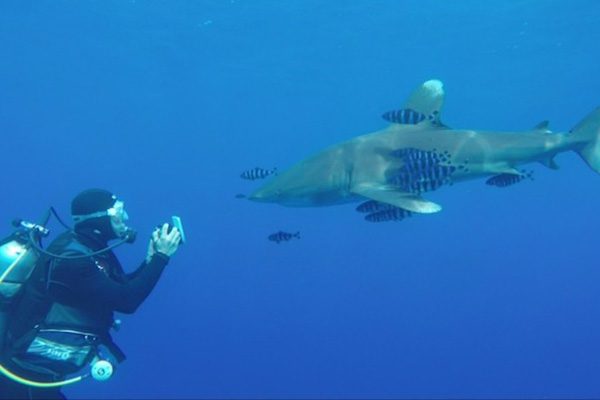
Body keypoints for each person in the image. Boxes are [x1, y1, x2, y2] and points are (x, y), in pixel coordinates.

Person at [0, 188, 181, 399]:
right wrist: (161, 257)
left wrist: (150, 261)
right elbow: (127, 301)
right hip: (21, 378)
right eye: (119, 211)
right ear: (99, 218)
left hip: (41, 378)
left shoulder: (87, 248)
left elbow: (120, 288)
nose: (126, 218)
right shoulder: (72, 259)